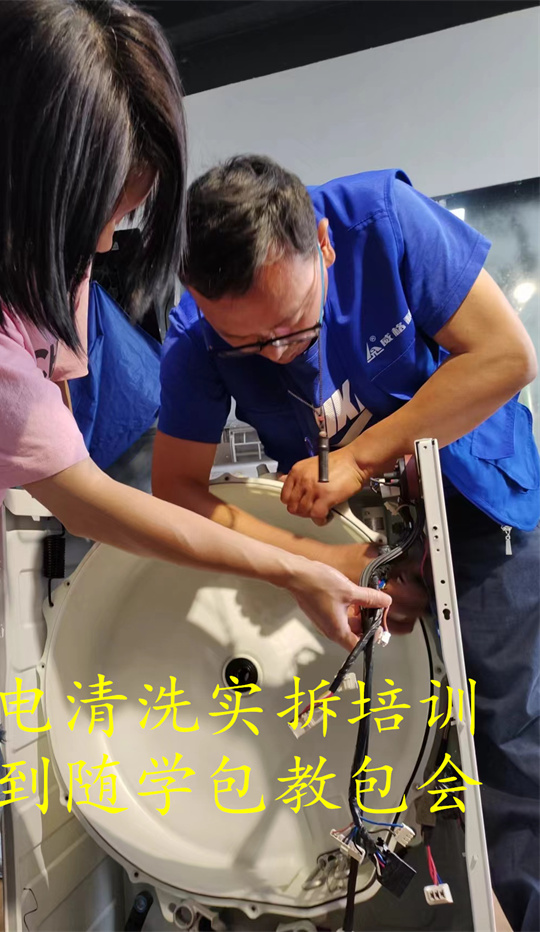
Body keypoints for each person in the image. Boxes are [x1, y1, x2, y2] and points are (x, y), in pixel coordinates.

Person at [0, 9, 389, 929]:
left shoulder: (37, 231)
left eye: (131, 210)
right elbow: (90, 503)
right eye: (107, 211)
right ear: (40, 174)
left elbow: (67, 405)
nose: (108, 240)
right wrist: (298, 565)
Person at [152, 154, 539, 930]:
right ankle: (424, 903)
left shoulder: (382, 221)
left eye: (293, 325)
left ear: (324, 245)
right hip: (356, 532)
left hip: (471, 492)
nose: (278, 353)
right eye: (247, 343)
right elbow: (177, 490)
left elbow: (506, 357)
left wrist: (359, 456)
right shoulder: (195, 341)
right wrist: (315, 562)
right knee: (384, 742)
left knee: (506, 737)